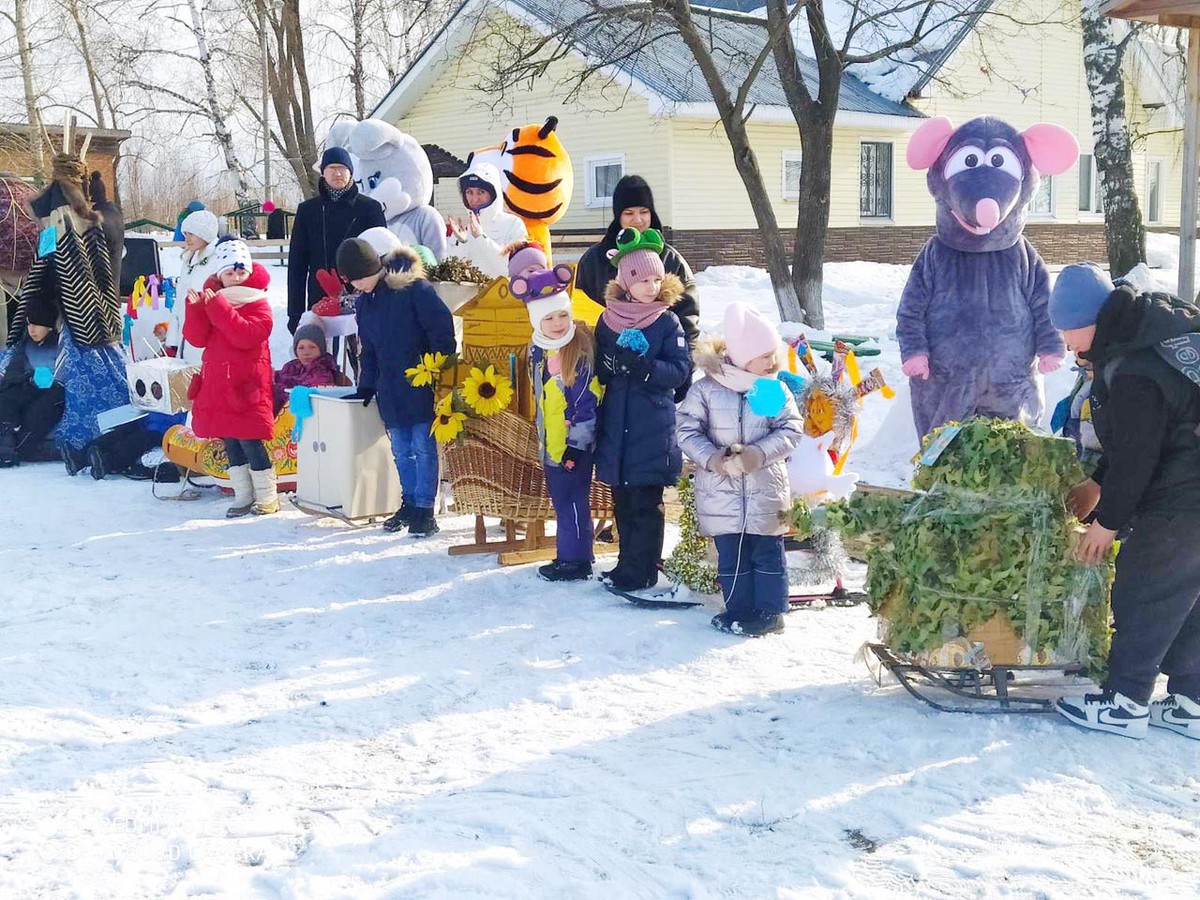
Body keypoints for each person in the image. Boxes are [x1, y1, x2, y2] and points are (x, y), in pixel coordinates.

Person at [1049, 264, 1200, 741]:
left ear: (1092, 319)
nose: (1067, 343)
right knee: (1189, 595)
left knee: (1145, 589)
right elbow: (1150, 436)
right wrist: (1098, 483)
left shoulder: (1133, 367)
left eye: (1069, 331)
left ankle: (1124, 702)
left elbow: (1139, 456)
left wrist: (1107, 523)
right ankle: (1189, 702)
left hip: (1183, 496)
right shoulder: (1151, 330)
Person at [677, 303, 802, 636]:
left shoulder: (772, 388)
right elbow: (687, 430)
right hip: (720, 489)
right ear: (744, 355)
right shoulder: (705, 389)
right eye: (765, 355)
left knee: (767, 552)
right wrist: (714, 459)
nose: (773, 362)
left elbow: (791, 429)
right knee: (731, 555)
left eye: (774, 354)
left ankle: (770, 612)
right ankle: (738, 609)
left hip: (766, 489)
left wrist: (757, 455)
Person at [593, 227, 691, 592]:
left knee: (647, 506)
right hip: (617, 426)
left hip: (652, 427)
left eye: (655, 278)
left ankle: (644, 568)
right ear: (625, 282)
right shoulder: (608, 320)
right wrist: (611, 362)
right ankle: (625, 564)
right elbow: (599, 366)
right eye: (642, 280)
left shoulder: (667, 321)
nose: (650, 286)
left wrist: (644, 367)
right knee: (623, 503)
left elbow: (680, 371)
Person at [337, 237, 455, 537]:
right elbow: (369, 350)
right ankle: (409, 502)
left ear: (368, 269)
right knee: (401, 449)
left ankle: (425, 510)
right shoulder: (365, 303)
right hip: (389, 386)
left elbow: (441, 328)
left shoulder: (412, 289)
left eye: (355, 279)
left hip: (420, 380)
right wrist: (366, 385)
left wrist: (437, 367)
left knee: (423, 447)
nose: (354, 286)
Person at [510, 257, 601, 582]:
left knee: (574, 499)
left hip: (575, 444)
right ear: (537, 321)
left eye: (563, 314)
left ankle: (576, 561)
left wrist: (577, 446)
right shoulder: (537, 349)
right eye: (549, 317)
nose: (558, 322)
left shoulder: (578, 349)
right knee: (561, 500)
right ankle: (569, 554)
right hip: (550, 441)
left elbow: (587, 402)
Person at [575, 175, 699, 399]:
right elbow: (581, 314)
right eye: (629, 213)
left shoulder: (671, 261)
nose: (638, 220)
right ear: (618, 216)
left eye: (644, 211)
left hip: (657, 382)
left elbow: (688, 323)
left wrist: (683, 376)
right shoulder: (595, 260)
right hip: (608, 379)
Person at [183, 239, 278, 517]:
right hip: (218, 384)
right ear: (220, 276)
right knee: (230, 440)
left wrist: (217, 308)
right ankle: (243, 495)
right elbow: (197, 338)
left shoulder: (258, 303)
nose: (236, 278)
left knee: (250, 439)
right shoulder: (213, 300)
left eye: (240, 272)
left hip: (246, 386)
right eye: (230, 273)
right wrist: (195, 309)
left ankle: (267, 495)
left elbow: (245, 336)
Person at [287, 147, 386, 333]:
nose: (337, 173)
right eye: (331, 168)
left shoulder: (369, 208)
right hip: (320, 299)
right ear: (323, 172)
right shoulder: (308, 211)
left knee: (360, 359)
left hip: (361, 296)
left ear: (351, 172)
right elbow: (296, 266)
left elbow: (382, 257)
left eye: (342, 167)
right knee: (320, 360)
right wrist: (295, 312)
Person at [0, 296, 65, 467]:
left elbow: (61, 377)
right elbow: (11, 371)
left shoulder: (60, 346)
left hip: (51, 396)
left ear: (49, 325)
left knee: (30, 432)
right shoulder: (24, 345)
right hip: (27, 390)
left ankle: (18, 448)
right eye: (28, 324)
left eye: (36, 324)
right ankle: (5, 439)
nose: (31, 329)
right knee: (7, 396)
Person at [447, 158, 527, 278]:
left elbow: (511, 268)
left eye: (481, 192)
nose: (474, 199)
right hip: (469, 296)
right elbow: (451, 273)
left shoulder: (514, 224)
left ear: (494, 194)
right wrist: (462, 243)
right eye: (469, 192)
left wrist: (481, 238)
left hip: (501, 294)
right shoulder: (463, 229)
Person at [166, 208, 220, 365]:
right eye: (185, 234)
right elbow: (178, 304)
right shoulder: (189, 260)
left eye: (191, 234)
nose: (187, 239)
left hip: (207, 339)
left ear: (205, 233)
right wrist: (172, 340)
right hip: (186, 337)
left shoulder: (217, 260)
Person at [273, 320, 339, 414]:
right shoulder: (292, 367)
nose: (306, 352)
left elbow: (305, 395)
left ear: (321, 349)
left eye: (312, 347)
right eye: (301, 348)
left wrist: (276, 388)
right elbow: (280, 377)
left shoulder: (323, 371)